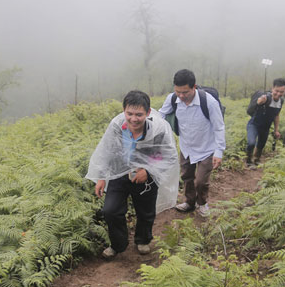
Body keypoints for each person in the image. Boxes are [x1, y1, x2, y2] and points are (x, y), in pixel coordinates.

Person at [86, 90, 179, 258]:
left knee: (146, 211)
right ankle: (118, 244)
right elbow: (106, 150)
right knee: (110, 210)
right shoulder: (117, 126)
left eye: (139, 114)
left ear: (148, 113)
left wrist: (148, 171)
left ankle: (143, 240)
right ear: (124, 110)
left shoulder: (158, 130)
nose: (133, 119)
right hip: (119, 173)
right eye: (129, 113)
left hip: (145, 178)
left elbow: (169, 156)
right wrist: (101, 177)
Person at [158, 69, 226, 217]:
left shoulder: (208, 101)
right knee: (187, 177)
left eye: (185, 92)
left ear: (194, 87)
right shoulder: (172, 99)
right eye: (178, 92)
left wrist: (219, 151)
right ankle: (189, 202)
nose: (181, 96)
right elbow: (160, 115)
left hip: (207, 148)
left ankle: (202, 203)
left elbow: (219, 126)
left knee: (201, 181)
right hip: (186, 146)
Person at [246, 78, 285, 167]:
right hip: (254, 124)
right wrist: (259, 102)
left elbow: (276, 115)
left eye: (282, 92)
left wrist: (276, 130)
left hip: (266, 127)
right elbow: (257, 103)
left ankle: (256, 160)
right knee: (251, 142)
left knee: (261, 145)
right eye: (277, 91)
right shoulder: (266, 98)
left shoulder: (281, 101)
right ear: (272, 88)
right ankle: (248, 160)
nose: (279, 94)